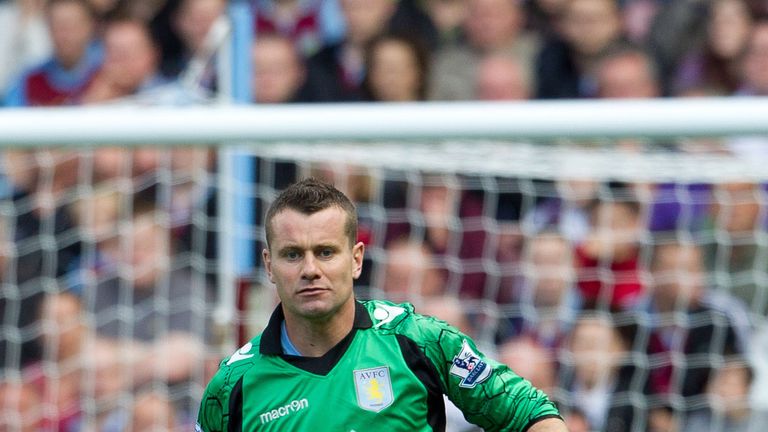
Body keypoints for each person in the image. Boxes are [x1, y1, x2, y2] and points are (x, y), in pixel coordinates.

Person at [197, 178, 566, 431]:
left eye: (326, 252)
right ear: (269, 266)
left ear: (356, 259)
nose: (310, 270)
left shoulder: (419, 341)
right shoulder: (233, 385)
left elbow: (532, 414)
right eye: (293, 255)